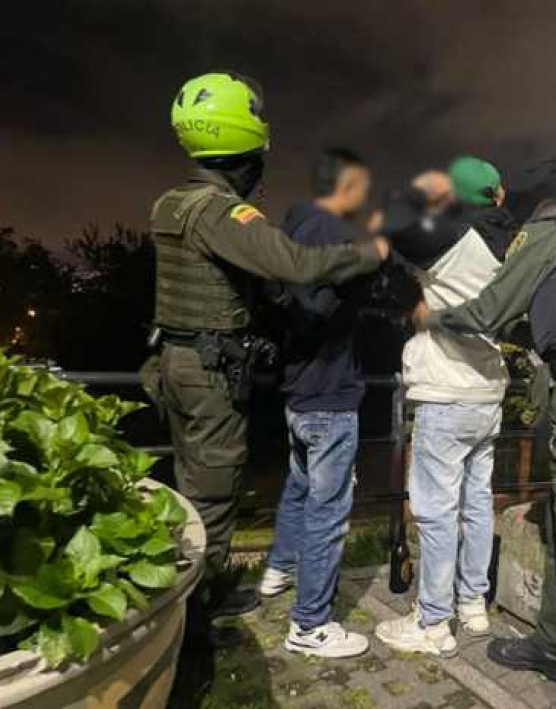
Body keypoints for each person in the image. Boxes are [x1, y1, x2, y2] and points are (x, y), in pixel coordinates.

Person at [149, 72, 388, 635]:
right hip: (207, 374)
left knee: (194, 488)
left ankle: (206, 596)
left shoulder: (173, 203)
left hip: (176, 364)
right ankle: (191, 623)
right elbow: (295, 265)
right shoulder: (217, 212)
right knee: (211, 495)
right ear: (244, 151)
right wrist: (368, 252)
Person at [413, 159, 556, 709]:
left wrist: (433, 317)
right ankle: (552, 643)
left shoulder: (546, 233)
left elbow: (492, 311)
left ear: (538, 207)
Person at [374, 157, 516, 658]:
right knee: (477, 503)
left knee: (435, 512)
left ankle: (433, 622)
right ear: (497, 194)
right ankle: (472, 604)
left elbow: (385, 219)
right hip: (489, 390)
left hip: (445, 390)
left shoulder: (449, 234)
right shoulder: (512, 244)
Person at [257, 148, 374, 658]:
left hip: (299, 390)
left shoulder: (294, 228)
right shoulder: (330, 231)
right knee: (329, 512)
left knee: (300, 488)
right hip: (329, 392)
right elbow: (318, 307)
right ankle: (309, 625)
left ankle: (278, 571)